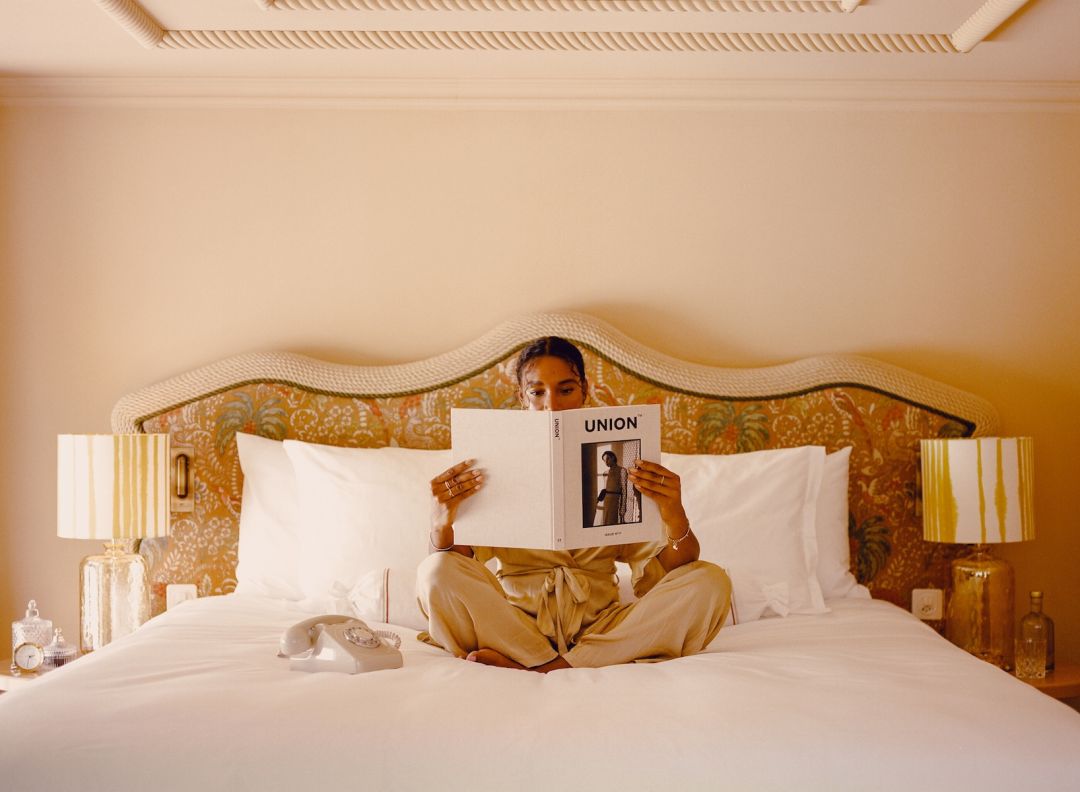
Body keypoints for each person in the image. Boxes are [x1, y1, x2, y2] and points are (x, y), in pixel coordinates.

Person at [415, 336, 731, 672]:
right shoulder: (493, 464)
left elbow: (662, 576)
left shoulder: (623, 461)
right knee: (434, 571)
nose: (552, 405)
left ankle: (541, 666)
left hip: (603, 628)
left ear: (584, 390)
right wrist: (442, 524)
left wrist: (674, 515)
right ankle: (552, 659)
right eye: (537, 392)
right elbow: (460, 567)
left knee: (710, 581)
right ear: (522, 396)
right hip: (514, 627)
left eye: (565, 390)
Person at [596, 449, 630, 526]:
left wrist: (623, 507)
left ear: (613, 458)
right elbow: (605, 489)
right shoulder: (605, 473)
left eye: (607, 459)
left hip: (616, 501)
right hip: (606, 501)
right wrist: (598, 499)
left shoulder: (622, 470)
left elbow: (624, 490)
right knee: (605, 523)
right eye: (604, 460)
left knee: (614, 523)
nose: (606, 462)